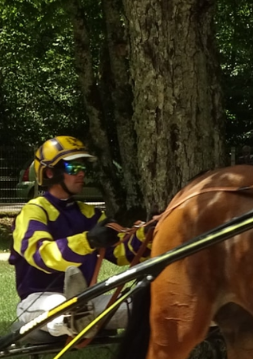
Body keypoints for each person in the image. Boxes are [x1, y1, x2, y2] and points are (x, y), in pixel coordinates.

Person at [9, 136, 150, 344]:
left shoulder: (90, 214)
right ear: (50, 173)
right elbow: (43, 256)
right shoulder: (32, 212)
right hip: (38, 301)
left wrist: (149, 233)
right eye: (73, 168)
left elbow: (122, 252)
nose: (82, 173)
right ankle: (79, 322)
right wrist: (88, 242)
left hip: (87, 300)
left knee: (147, 305)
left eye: (83, 167)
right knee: (65, 307)